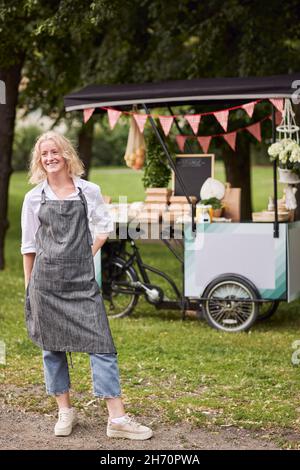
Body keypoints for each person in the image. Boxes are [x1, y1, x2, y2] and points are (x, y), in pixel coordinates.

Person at [21, 131, 152, 440]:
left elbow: (104, 228)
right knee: (52, 348)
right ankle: (65, 411)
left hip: (81, 283)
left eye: (55, 152)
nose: (50, 157)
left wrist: (85, 255)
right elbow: (28, 246)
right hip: (45, 283)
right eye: (44, 154)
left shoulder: (88, 191)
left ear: (66, 155)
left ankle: (117, 419)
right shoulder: (34, 197)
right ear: (40, 161)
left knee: (102, 345)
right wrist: (29, 288)